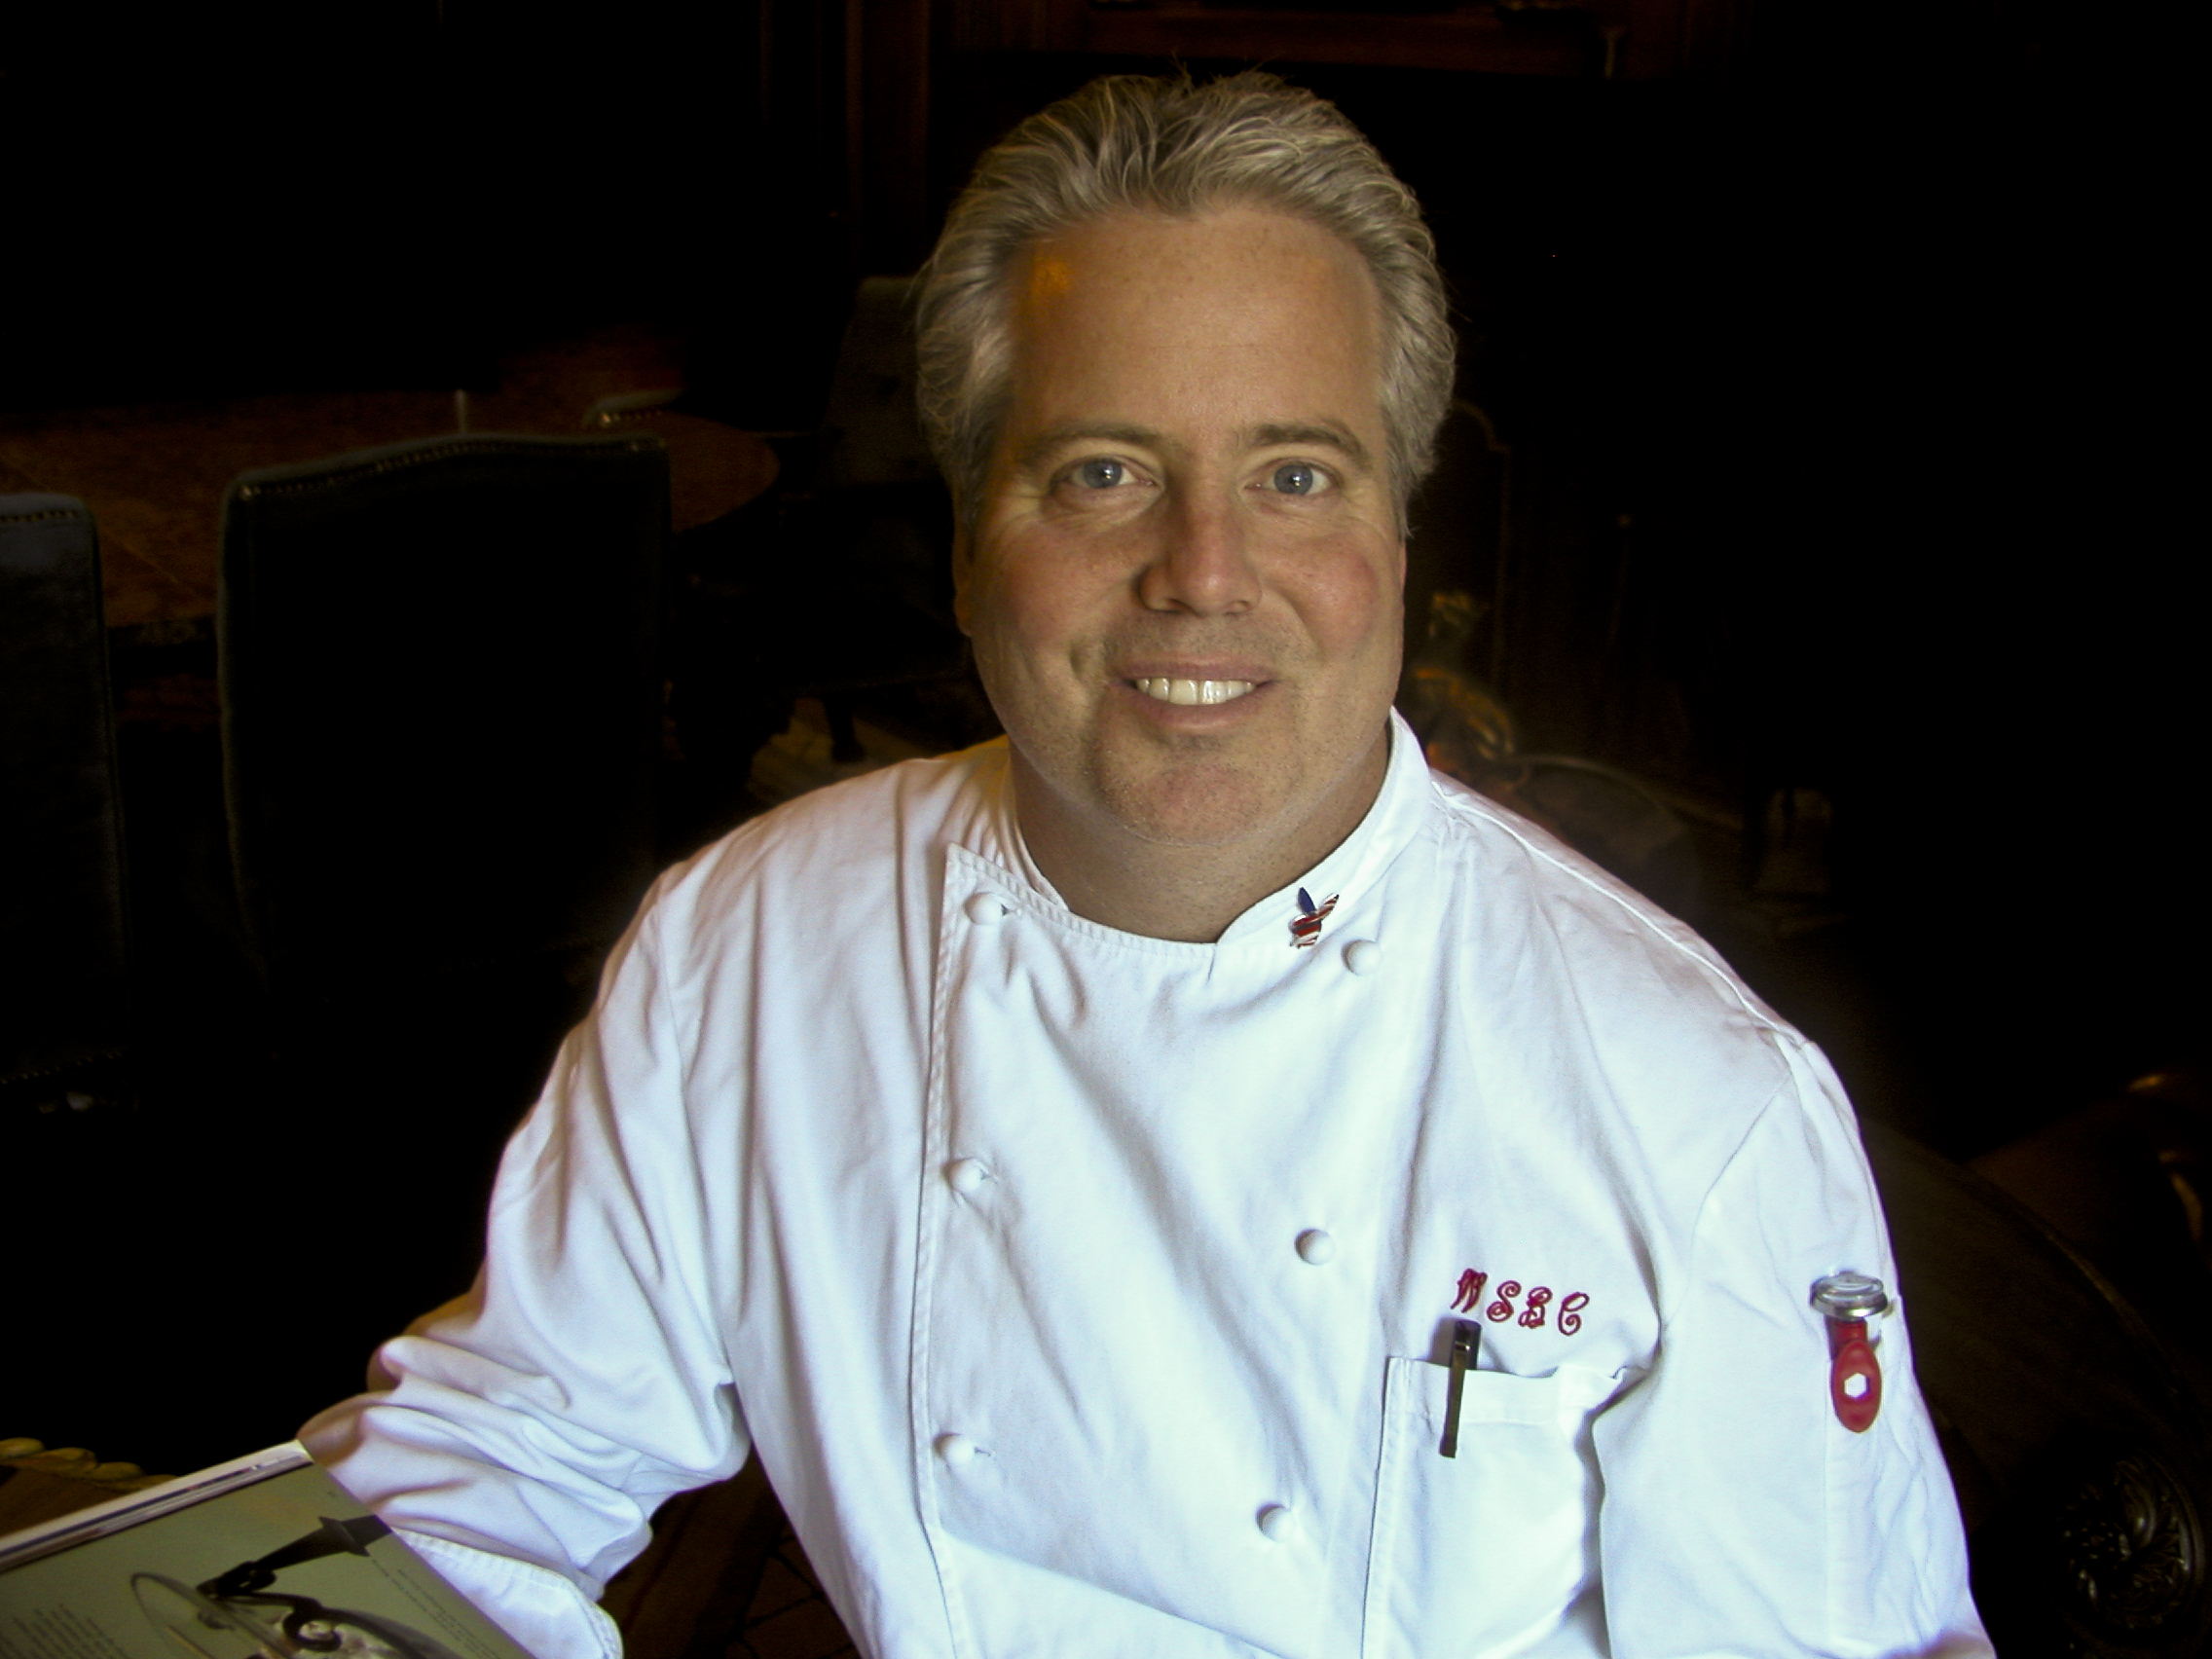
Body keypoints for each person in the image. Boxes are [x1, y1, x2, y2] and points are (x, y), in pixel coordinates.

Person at [303, 72, 1990, 1658]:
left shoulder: (1693, 1104)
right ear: (967, 546)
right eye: (1102, 472)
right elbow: (511, 1447)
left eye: (1295, 475)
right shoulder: (748, 944)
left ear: (1399, 544)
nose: (1203, 571)